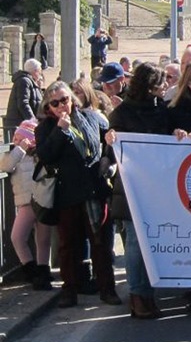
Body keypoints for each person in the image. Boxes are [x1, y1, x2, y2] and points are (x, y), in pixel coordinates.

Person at [34, 81, 120, 308]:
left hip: (93, 190)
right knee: (68, 245)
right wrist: (60, 131)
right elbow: (46, 155)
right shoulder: (45, 128)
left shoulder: (90, 117)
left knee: (100, 244)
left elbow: (107, 141)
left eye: (65, 100)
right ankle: (69, 290)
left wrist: (108, 157)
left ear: (72, 99)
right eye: (55, 103)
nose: (62, 105)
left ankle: (107, 289)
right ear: (48, 107)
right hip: (67, 194)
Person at [108, 63, 169, 319]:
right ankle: (137, 294)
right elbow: (111, 152)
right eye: (161, 84)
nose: (165, 88)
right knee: (135, 244)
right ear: (149, 86)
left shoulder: (164, 112)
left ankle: (148, 294)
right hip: (131, 189)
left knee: (152, 244)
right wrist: (110, 140)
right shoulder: (122, 114)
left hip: (156, 188)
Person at [0, 118, 53, 289]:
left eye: (20, 139)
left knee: (43, 239)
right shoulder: (15, 154)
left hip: (42, 201)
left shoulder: (40, 153)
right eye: (15, 138)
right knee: (17, 237)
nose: (16, 141)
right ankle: (30, 269)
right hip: (26, 203)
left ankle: (43, 271)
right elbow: (6, 166)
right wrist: (19, 149)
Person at [5, 58, 44, 141]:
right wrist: (32, 122)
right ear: (35, 71)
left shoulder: (31, 82)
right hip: (21, 125)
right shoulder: (24, 81)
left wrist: (39, 88)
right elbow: (23, 103)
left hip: (25, 125)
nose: (40, 74)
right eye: (40, 71)